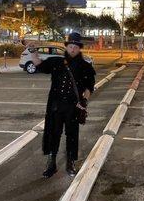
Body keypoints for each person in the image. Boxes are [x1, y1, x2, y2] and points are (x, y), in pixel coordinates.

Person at [30, 32, 96, 178]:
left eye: (75, 47)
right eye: (70, 46)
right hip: (56, 106)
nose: (72, 49)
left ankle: (71, 162)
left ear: (79, 49)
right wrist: (33, 52)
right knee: (54, 134)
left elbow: (89, 87)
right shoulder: (57, 62)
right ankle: (51, 163)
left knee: (72, 135)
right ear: (66, 47)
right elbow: (39, 65)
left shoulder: (85, 66)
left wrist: (84, 101)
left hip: (73, 108)